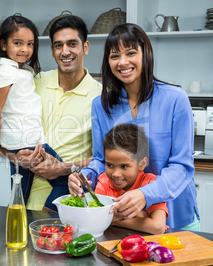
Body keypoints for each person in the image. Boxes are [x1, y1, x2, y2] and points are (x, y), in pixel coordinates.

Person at [68, 23, 199, 230]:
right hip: (128, 216)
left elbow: (182, 166)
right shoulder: (100, 105)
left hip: (176, 214)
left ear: (145, 54)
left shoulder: (176, 99)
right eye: (114, 56)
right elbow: (101, 159)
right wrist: (86, 177)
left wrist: (146, 194)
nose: (122, 62)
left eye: (130, 53)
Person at [0, 14, 70, 212]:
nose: (25, 49)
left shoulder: (23, 71)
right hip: (26, 143)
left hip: (28, 140)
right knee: (66, 181)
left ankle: (17, 230)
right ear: (4, 44)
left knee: (20, 196)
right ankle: (47, 220)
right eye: (18, 43)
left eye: (30, 44)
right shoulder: (5, 73)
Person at [13, 15, 102, 212]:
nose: (65, 51)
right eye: (58, 45)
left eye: (72, 44)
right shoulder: (33, 82)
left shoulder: (102, 97)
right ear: (52, 51)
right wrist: (17, 157)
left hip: (71, 201)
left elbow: (106, 160)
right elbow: (9, 131)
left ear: (85, 47)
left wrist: (62, 168)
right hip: (26, 195)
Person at [95, 123, 168, 234]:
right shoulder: (104, 181)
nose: (116, 174)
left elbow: (157, 227)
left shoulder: (150, 183)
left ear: (142, 164)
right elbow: (97, 219)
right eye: (109, 165)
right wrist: (141, 216)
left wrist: (113, 219)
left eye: (124, 166)